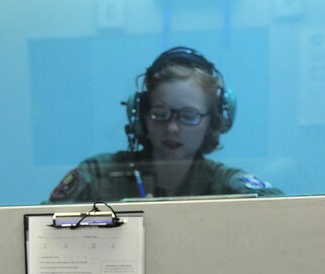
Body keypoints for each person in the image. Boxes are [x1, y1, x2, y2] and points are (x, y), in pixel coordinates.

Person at [49, 47, 282, 203]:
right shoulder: (99, 174)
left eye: (188, 116)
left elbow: (283, 209)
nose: (172, 128)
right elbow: (41, 226)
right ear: (142, 114)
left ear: (213, 121)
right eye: (160, 114)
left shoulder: (223, 183)